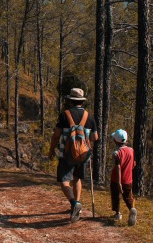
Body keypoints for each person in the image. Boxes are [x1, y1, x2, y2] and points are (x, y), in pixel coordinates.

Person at [48, 88, 98, 223]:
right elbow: (95, 137)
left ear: (70, 101)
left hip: (66, 154)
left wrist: (51, 149)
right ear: (82, 101)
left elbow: (56, 136)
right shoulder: (89, 116)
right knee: (77, 179)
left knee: (64, 181)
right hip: (83, 154)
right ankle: (78, 206)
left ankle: (74, 203)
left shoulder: (65, 115)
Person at [110, 129, 137, 226]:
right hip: (128, 179)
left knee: (116, 196)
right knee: (128, 197)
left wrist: (119, 182)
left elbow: (118, 168)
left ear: (116, 141)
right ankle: (131, 209)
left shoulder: (116, 153)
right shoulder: (131, 150)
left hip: (116, 179)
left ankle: (117, 213)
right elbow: (134, 164)